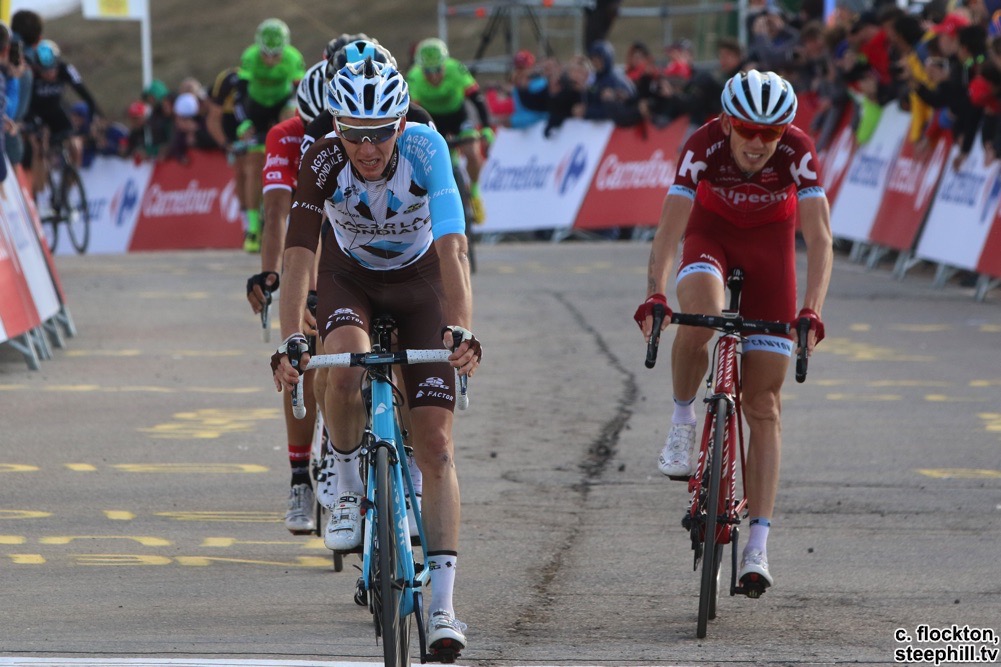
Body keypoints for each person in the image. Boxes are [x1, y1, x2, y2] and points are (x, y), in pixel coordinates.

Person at [271, 58, 480, 655]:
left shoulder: (426, 149)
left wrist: (461, 329)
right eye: (353, 133)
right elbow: (298, 256)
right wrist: (290, 337)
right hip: (350, 281)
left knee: (437, 446)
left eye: (380, 132)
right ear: (336, 127)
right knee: (342, 365)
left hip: (421, 283)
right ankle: (342, 483)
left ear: (401, 124)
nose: (367, 148)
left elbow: (453, 247)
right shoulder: (322, 159)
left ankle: (443, 608)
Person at [634, 70, 832, 593]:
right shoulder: (703, 145)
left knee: (763, 405)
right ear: (726, 123)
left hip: (771, 250)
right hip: (711, 236)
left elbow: (820, 238)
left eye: (771, 133)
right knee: (701, 313)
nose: (758, 143)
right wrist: (655, 293)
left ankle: (757, 548)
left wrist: (811, 310)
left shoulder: (798, 151)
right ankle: (683, 421)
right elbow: (669, 231)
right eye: (747, 129)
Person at [246, 59, 328, 535]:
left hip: (348, 236)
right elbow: (278, 210)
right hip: (306, 232)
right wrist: (271, 273)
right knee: (302, 352)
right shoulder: (285, 134)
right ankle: (300, 476)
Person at [236, 18, 306, 253]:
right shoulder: (250, 56)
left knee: (290, 115)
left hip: (281, 105)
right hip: (255, 108)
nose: (270, 60)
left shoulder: (293, 57)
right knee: (254, 165)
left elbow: (300, 93)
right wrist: (244, 122)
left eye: (276, 55)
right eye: (266, 54)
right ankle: (253, 228)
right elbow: (240, 95)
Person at [407, 37, 493, 223]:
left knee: (472, 152)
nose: (433, 76)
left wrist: (486, 127)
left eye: (437, 69)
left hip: (458, 116)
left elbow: (477, 99)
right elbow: (412, 111)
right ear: (421, 68)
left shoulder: (456, 69)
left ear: (444, 64)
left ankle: (475, 192)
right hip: (433, 118)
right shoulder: (414, 76)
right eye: (428, 71)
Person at [25, 38, 100, 196]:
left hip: (57, 112)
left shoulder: (66, 69)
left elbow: (87, 97)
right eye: (45, 71)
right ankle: (38, 192)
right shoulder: (31, 74)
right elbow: (25, 104)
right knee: (40, 148)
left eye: (53, 69)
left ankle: (67, 189)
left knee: (75, 145)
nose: (50, 73)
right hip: (36, 114)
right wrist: (33, 125)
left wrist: (92, 121)